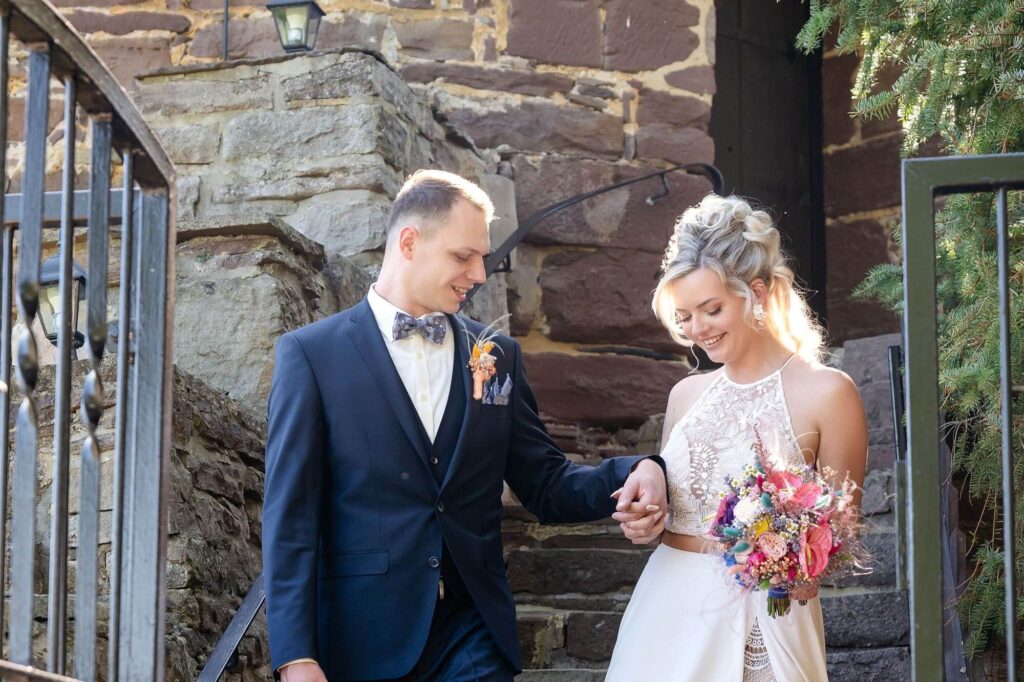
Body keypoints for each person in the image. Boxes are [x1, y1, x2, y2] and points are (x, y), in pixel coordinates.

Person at [262, 169, 668, 682]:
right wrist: (296, 656)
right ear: (409, 242)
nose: (479, 273)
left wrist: (638, 467)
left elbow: (544, 484)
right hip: (360, 638)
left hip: (471, 633)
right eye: (463, 256)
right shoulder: (311, 356)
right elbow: (290, 518)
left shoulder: (496, 354)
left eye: (481, 255)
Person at [606, 194, 868, 681]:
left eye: (711, 309)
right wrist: (646, 517)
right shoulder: (684, 395)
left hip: (763, 619)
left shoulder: (828, 392)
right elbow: (669, 516)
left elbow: (838, 536)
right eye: (684, 317)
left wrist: (782, 549)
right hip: (665, 610)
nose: (697, 330)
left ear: (759, 292)